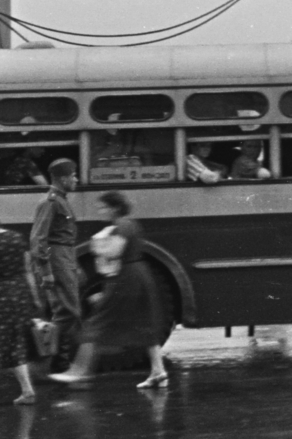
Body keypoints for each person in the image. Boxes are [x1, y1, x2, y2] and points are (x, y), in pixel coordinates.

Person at [48, 192, 168, 389]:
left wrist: (98, 245)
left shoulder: (121, 225)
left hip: (126, 277)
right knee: (145, 321)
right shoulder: (128, 223)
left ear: (114, 208)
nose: (100, 211)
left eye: (102, 207)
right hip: (138, 275)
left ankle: (79, 372)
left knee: (97, 321)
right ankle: (158, 371)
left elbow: (114, 252)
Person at [29, 159, 81, 370]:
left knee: (67, 312)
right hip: (57, 261)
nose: (76, 179)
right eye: (73, 175)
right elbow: (38, 239)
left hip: (65, 258)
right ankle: (46, 360)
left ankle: (60, 360)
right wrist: (46, 271)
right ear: (62, 178)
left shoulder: (61, 201)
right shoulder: (50, 203)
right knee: (69, 312)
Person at [0, 228, 39, 404]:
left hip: (2, 296)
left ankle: (27, 389)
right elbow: (28, 270)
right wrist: (35, 297)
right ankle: (27, 390)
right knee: (15, 342)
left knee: (8, 343)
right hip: (20, 292)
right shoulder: (16, 237)